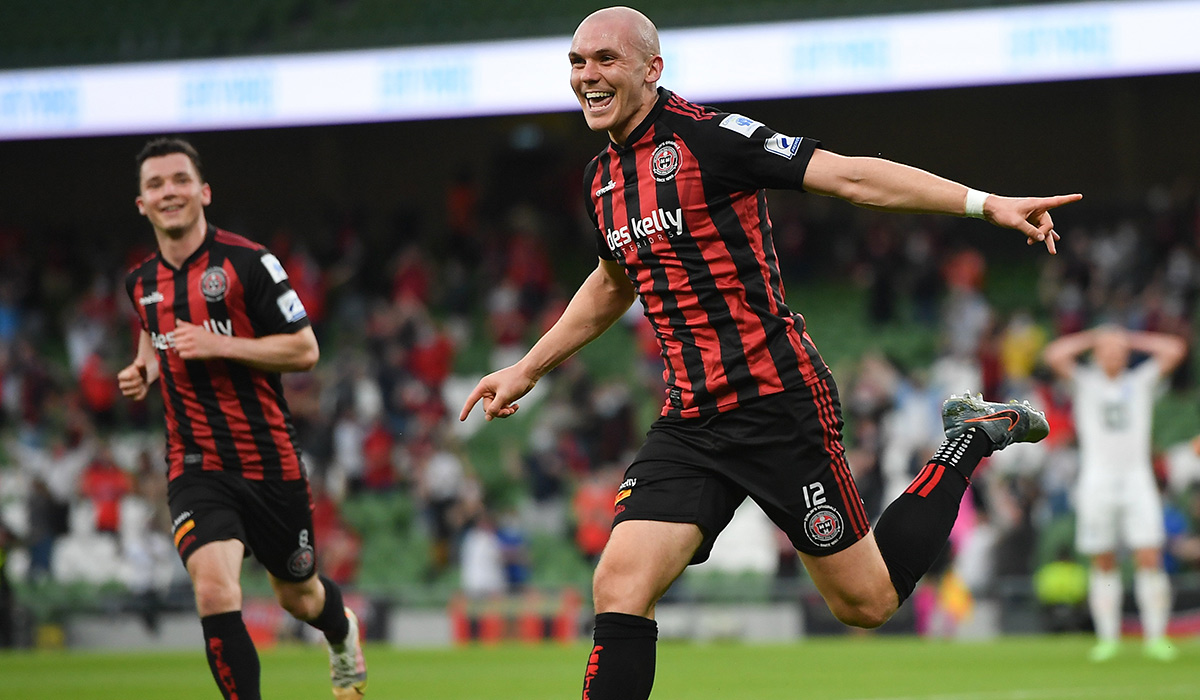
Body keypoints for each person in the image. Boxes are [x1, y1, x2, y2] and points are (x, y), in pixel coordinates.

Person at [459, 7, 1075, 699]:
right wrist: (526, 368)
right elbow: (612, 284)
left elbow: (847, 176)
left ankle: (969, 439)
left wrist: (982, 203)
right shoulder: (600, 178)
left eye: (605, 59)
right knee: (620, 582)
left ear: (651, 69)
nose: (587, 76)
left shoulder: (709, 139)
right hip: (690, 419)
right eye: (577, 61)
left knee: (865, 603)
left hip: (775, 402)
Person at [117, 137, 367, 700]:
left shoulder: (249, 263)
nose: (168, 191)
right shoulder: (140, 283)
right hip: (194, 464)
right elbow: (153, 336)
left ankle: (342, 630)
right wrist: (143, 370)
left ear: (203, 191)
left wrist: (221, 346)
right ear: (142, 203)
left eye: (179, 179)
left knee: (297, 596)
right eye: (155, 184)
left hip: (267, 457)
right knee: (213, 589)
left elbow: (304, 350)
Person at [1043, 325, 1187, 662]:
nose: (1113, 353)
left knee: (1149, 555)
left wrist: (1130, 337)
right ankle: (1108, 637)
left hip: (1137, 478)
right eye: (1106, 349)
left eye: (1118, 349)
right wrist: (1095, 335)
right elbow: (1054, 355)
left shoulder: (1140, 381)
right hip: (1098, 480)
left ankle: (1157, 637)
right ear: (1096, 354)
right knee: (1103, 558)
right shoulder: (1085, 382)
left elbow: (1175, 348)